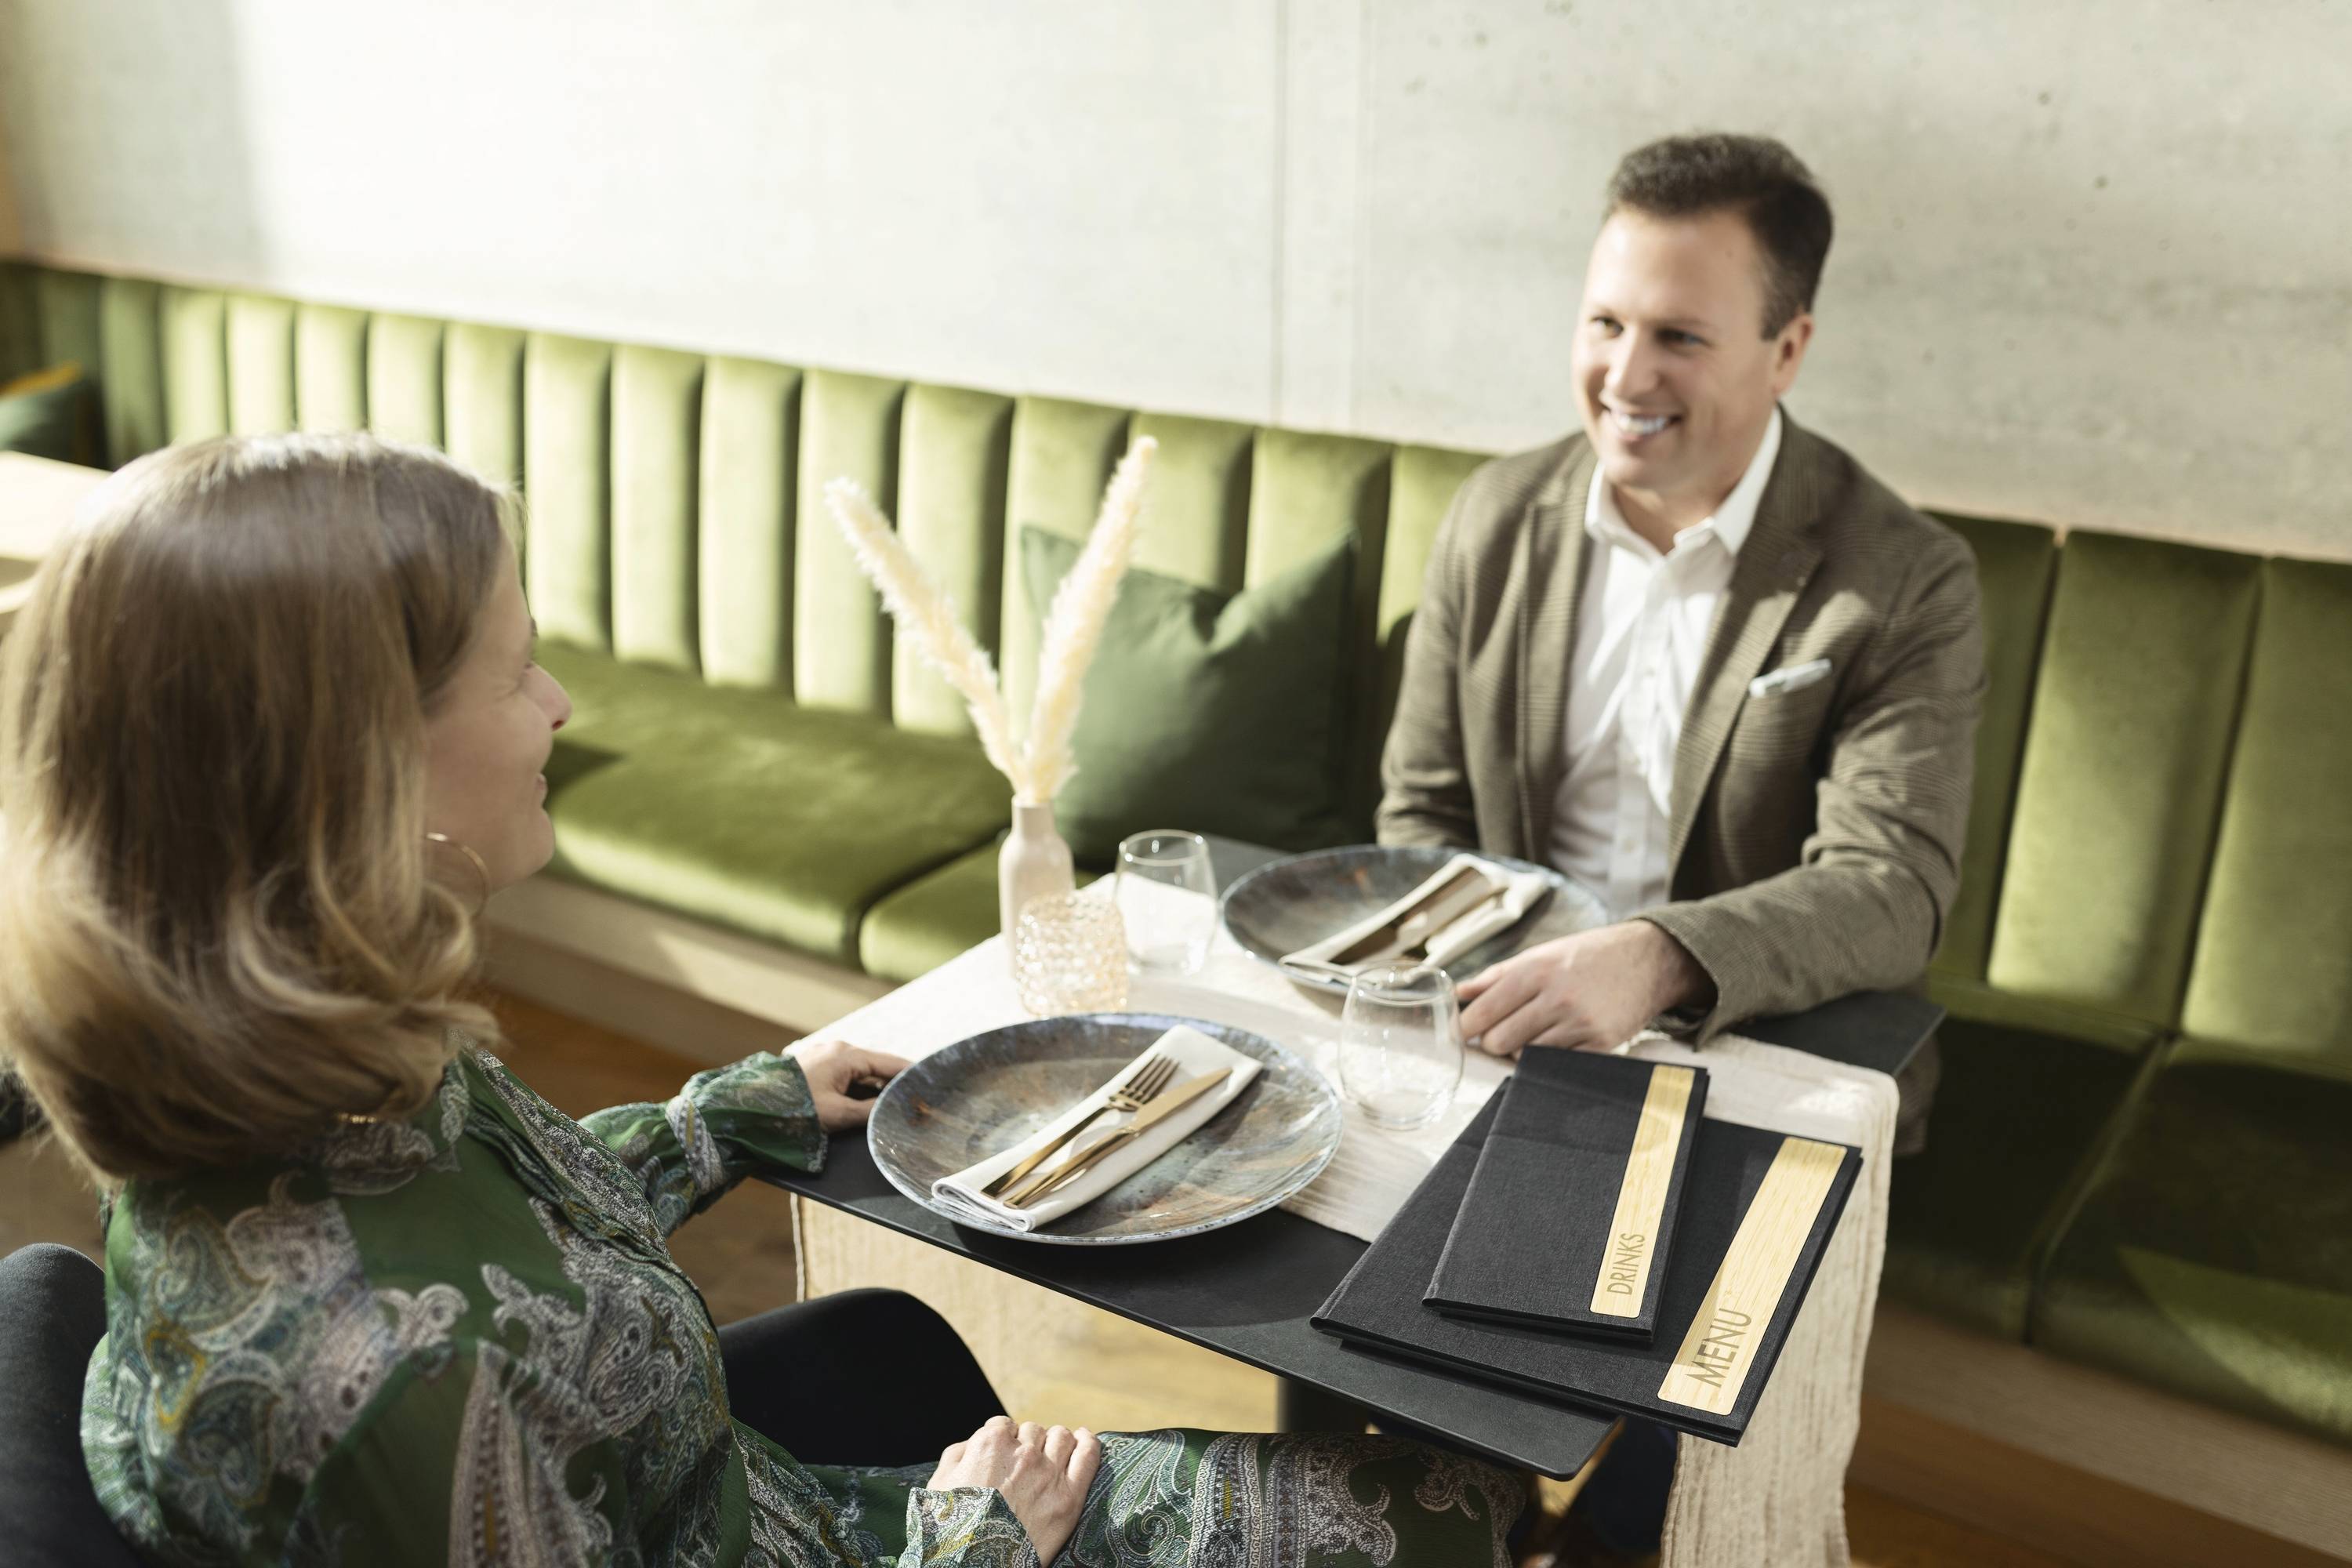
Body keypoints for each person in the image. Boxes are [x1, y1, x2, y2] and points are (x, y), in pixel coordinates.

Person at [0, 434, 1521, 1566]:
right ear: (356, 781)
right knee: (1449, 1514)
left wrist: (730, 1111)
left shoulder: (311, 1086)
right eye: (516, 669)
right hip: (896, 1545)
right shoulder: (391, 1383)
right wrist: (977, 1537)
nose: (559, 709)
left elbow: (524, 1250)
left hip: (797, 1507)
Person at [1377, 133, 1985, 1560]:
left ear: (1788, 348)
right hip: (1516, 1025)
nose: (1625, 375)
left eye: (1680, 336)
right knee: (1352, 1381)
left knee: (1665, 1464)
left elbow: (1893, 888)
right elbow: (1419, 820)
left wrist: (1654, 963)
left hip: (1763, 1047)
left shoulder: (1901, 581)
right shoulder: (1494, 518)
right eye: (1604, 322)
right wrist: (1510, 987)